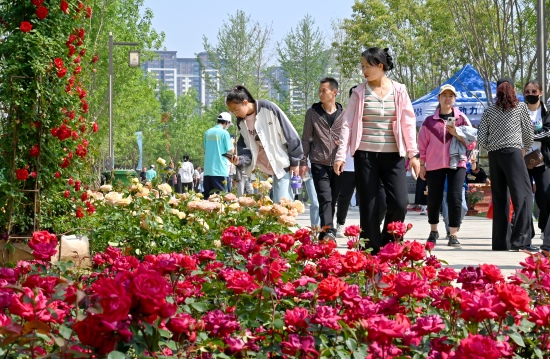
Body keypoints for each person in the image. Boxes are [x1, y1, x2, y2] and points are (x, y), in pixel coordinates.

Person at [333, 47, 420, 254]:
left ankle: (388, 243)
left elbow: (408, 122)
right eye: (362, 66)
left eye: (367, 66)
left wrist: (413, 154)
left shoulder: (399, 90)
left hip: (394, 156)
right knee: (369, 206)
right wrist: (340, 155)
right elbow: (347, 124)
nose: (363, 70)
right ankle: (370, 252)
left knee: (400, 202)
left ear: (380, 66)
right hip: (366, 156)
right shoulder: (359, 92)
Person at [477, 78, 536, 251]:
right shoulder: (521, 108)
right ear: (513, 89)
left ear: (497, 91)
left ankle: (501, 242)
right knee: (523, 196)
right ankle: (520, 240)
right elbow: (528, 132)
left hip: (494, 156)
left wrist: (493, 147)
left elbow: (481, 138)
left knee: (500, 198)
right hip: (513, 153)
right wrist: (523, 148)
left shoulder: (489, 111)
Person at [418, 84, 477, 247]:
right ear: (439, 98)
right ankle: (433, 231)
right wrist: (422, 164)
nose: (447, 98)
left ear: (455, 99)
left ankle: (453, 234)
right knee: (434, 197)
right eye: (444, 95)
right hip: (434, 164)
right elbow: (422, 144)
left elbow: (472, 143)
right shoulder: (429, 122)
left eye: (451, 95)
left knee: (455, 197)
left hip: (457, 163)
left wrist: (456, 133)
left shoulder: (461, 119)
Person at [226, 85, 303, 204]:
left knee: (282, 203)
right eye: (232, 112)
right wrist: (239, 160)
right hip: (260, 168)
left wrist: (295, 161)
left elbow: (289, 134)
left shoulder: (267, 108)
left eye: (236, 110)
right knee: (262, 207)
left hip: (280, 163)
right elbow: (246, 148)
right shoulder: (241, 121)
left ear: (245, 102)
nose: (235, 114)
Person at [299, 77, 343, 240]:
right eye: (319, 91)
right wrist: (303, 161)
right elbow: (306, 138)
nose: (320, 94)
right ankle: (329, 229)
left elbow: (348, 135)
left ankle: (325, 232)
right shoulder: (312, 113)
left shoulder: (343, 113)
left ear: (334, 92)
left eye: (324, 91)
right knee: (325, 197)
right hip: (318, 162)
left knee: (332, 199)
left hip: (339, 164)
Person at [523, 80, 550, 248]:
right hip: (522, 162)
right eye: (527, 92)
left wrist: (528, 134)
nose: (531, 94)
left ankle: (545, 231)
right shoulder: (520, 112)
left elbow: (548, 133)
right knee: (524, 199)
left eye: (534, 91)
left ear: (540, 93)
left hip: (543, 162)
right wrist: (535, 134)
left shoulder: (547, 112)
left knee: (545, 197)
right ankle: (526, 235)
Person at [203, 112, 234, 200]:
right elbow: (230, 151)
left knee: (207, 199)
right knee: (222, 199)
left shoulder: (207, 132)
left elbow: (206, 147)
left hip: (208, 170)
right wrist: (232, 143)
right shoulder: (224, 133)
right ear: (227, 122)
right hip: (220, 170)